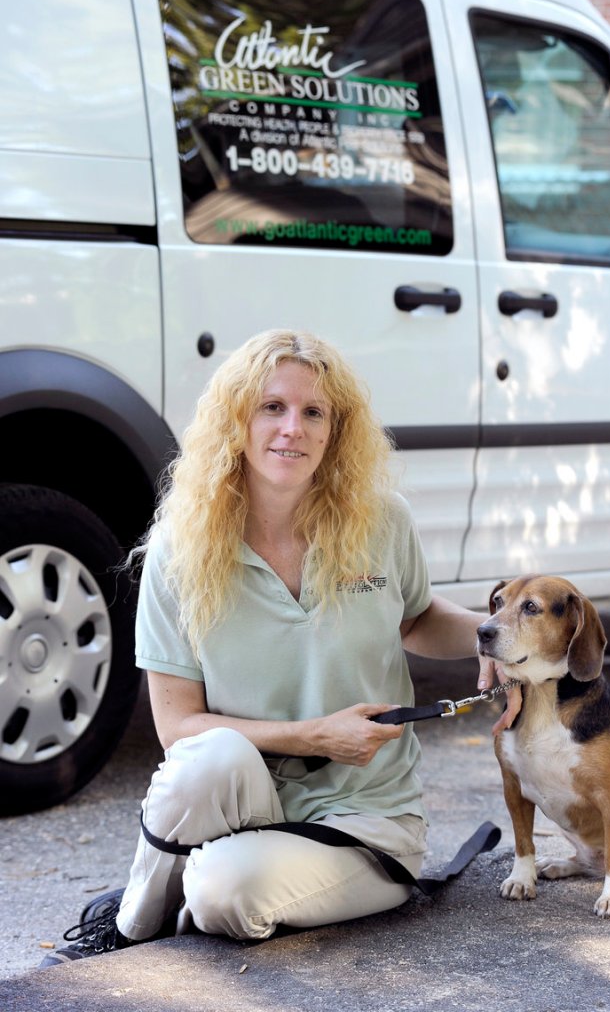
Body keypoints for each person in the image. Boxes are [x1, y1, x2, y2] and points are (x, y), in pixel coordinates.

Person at [41, 330, 519, 967]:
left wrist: (497, 640)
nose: (292, 428)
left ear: (334, 430)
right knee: (203, 759)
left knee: (223, 895)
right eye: (272, 407)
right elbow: (176, 726)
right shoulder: (178, 552)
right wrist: (315, 735)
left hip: (364, 820)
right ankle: (130, 924)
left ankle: (202, 882)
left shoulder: (382, 520)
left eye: (313, 412)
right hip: (244, 800)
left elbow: (416, 618)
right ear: (237, 417)